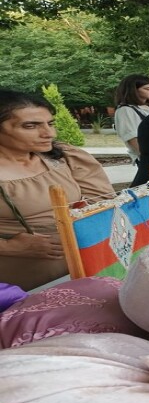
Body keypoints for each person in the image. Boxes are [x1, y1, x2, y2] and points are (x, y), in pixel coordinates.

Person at [0, 90, 114, 290]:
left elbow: (103, 201)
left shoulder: (64, 156)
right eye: (30, 126)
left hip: (87, 268)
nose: (49, 134)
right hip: (21, 286)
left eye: (50, 124)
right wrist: (9, 247)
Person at [113, 74, 149, 165]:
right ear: (133, 90)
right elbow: (132, 138)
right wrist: (147, 159)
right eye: (148, 89)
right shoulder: (125, 110)